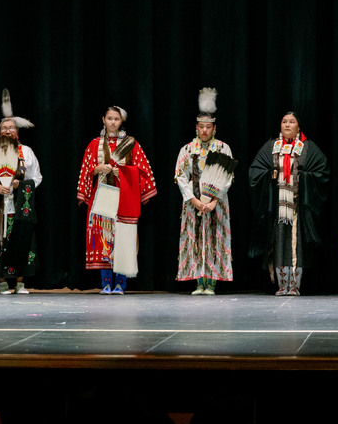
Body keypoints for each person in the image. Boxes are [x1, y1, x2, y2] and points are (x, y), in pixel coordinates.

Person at [76, 106, 157, 294]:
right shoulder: (95, 144)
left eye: (116, 119)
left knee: (123, 238)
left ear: (122, 122)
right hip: (103, 194)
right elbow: (85, 169)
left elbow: (144, 170)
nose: (112, 122)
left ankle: (121, 284)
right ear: (103, 119)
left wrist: (121, 171)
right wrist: (97, 169)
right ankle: (105, 283)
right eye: (109, 118)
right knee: (104, 237)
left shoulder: (131, 144)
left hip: (124, 196)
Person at [248, 111, 329, 295]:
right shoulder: (272, 146)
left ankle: (295, 285)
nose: (287, 125)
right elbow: (255, 171)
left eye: (291, 122)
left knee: (296, 244)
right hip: (277, 207)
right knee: (278, 243)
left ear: (298, 127)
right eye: (284, 121)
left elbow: (322, 173)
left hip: (297, 206)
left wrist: (300, 177)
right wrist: (270, 176)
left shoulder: (308, 147)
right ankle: (282, 285)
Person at [0, 89, 41, 295]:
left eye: (11, 127)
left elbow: (37, 177)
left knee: (21, 242)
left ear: (17, 132)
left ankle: (20, 283)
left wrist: (19, 186)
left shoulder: (27, 152)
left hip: (21, 206)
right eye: (4, 128)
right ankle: (3, 283)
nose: (7, 131)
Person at [174, 88, 235, 295]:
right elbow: (180, 176)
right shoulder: (187, 149)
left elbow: (228, 177)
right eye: (201, 127)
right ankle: (198, 282)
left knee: (214, 238)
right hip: (194, 202)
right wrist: (193, 199)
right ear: (196, 128)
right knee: (196, 239)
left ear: (214, 128)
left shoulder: (222, 149)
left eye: (208, 127)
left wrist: (214, 200)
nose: (205, 131)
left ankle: (212, 282)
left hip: (216, 203)